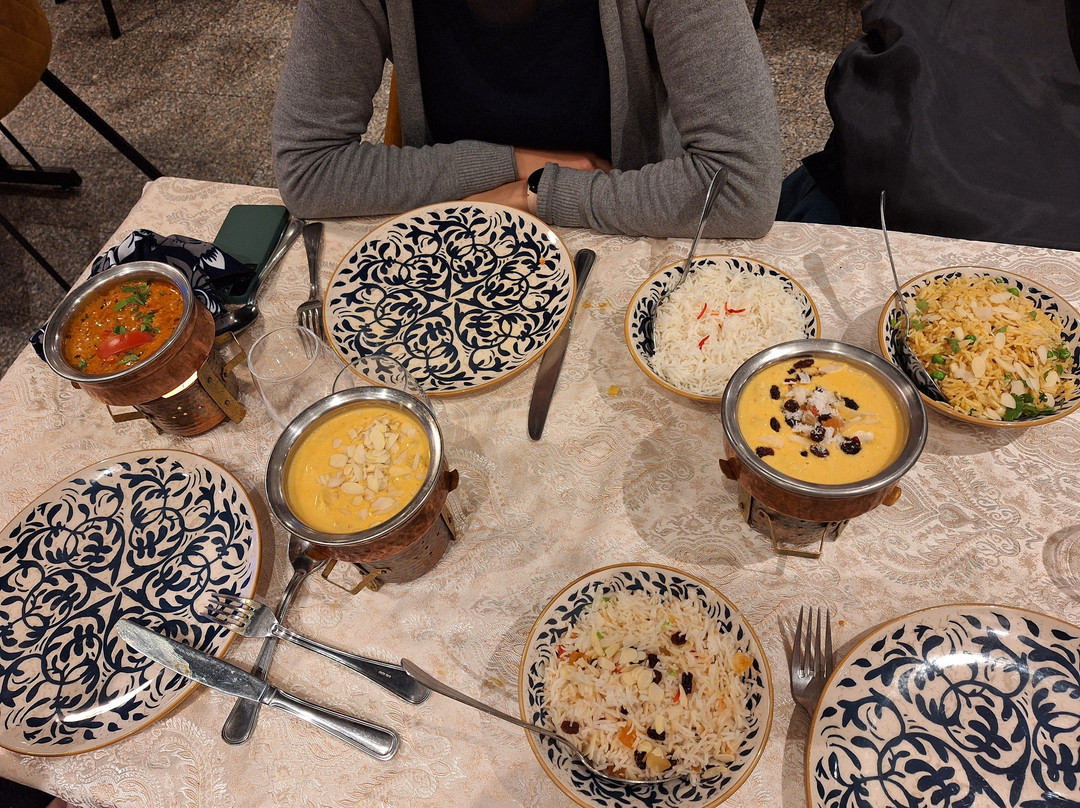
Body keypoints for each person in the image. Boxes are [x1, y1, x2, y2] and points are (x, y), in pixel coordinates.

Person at [272, 0, 782, 239]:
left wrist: (538, 192)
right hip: (452, 232)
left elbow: (742, 190)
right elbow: (308, 169)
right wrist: (518, 166)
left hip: (626, 222)